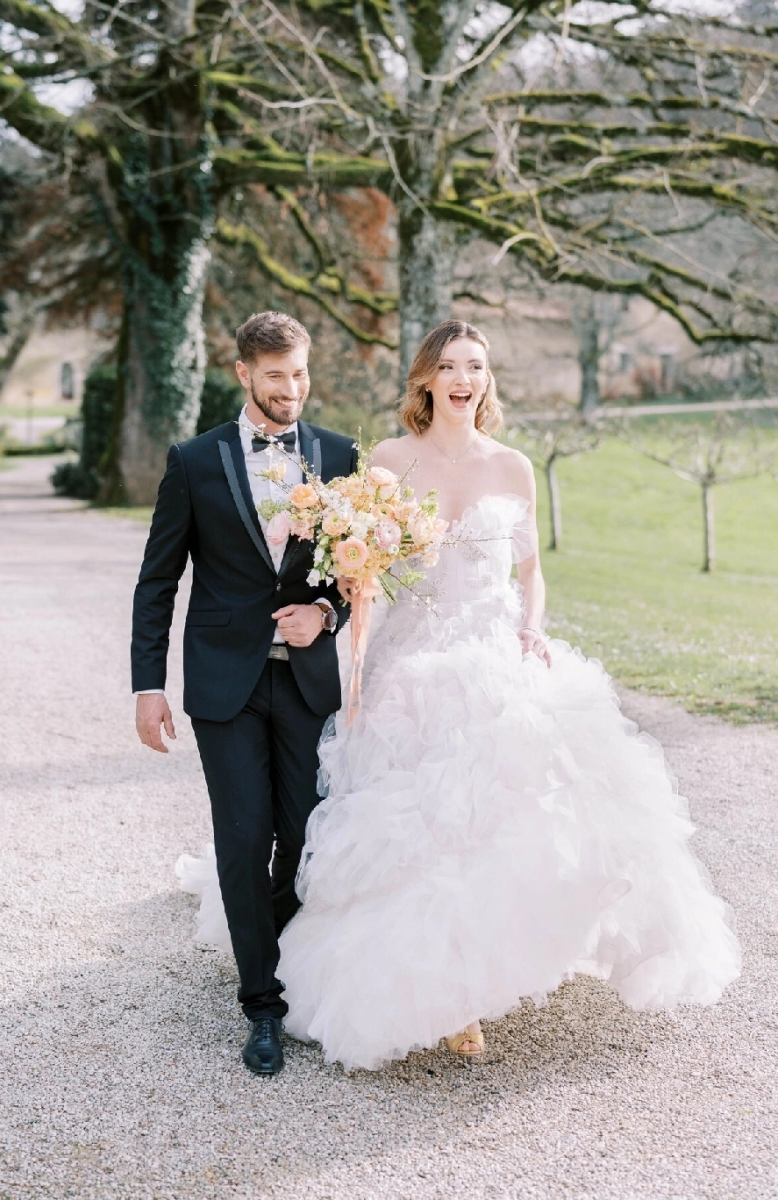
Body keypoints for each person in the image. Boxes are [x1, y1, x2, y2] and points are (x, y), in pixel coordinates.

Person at [180, 319, 740, 1073]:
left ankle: (490, 968)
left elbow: (531, 570)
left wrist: (533, 628)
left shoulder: (514, 466)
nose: (463, 378)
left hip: (493, 651)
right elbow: (364, 578)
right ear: (426, 380)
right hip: (412, 662)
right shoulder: (385, 463)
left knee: (516, 813)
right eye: (448, 365)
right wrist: (357, 671)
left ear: (487, 379)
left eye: (475, 365)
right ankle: (444, 995)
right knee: (419, 827)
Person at [132, 312, 358, 1077]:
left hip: (304, 682)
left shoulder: (339, 455)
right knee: (243, 840)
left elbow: (357, 574)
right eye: (274, 377)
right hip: (224, 685)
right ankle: (262, 1004)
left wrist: (324, 614)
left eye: (299, 374)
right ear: (243, 374)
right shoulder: (194, 461)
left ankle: (283, 951)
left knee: (303, 838)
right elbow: (158, 580)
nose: (290, 390)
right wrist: (147, 684)